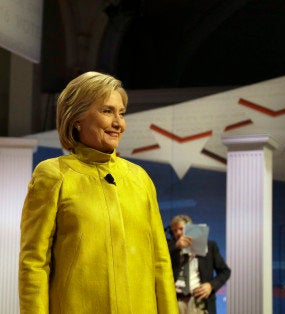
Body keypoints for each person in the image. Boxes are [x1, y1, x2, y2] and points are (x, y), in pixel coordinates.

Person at [18, 71, 178, 313]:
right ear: (77, 118)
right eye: (107, 111)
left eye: (121, 113)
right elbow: (34, 264)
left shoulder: (140, 179)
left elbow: (160, 263)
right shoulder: (53, 175)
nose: (118, 123)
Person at [168, 215, 231, 314]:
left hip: (199, 301)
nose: (178, 233)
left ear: (191, 228)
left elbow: (225, 271)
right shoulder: (170, 249)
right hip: (176, 301)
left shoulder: (209, 247)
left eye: (181, 229)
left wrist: (211, 285)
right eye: (174, 231)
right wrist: (176, 248)